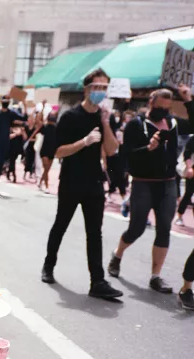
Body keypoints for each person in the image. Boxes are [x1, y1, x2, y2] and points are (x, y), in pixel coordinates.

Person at [41, 68, 122, 299]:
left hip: (94, 181)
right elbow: (58, 152)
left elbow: (112, 149)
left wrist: (106, 124)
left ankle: (97, 281)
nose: (100, 92)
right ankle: (48, 266)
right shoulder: (70, 117)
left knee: (94, 233)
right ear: (86, 89)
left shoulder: (105, 116)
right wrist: (84, 142)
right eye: (96, 87)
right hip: (71, 180)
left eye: (104, 88)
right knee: (61, 225)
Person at [107, 85, 194, 292]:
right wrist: (148, 148)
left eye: (167, 108)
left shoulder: (173, 124)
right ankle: (117, 254)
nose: (163, 111)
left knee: (164, 229)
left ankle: (156, 276)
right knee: (136, 228)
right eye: (159, 107)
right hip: (143, 182)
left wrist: (188, 99)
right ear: (150, 104)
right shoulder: (136, 125)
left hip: (167, 184)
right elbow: (126, 154)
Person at [0, 94, 27, 195]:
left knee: (0, 164)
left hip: (5, 143)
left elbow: (24, 118)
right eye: (4, 99)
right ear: (1, 101)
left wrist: (24, 105)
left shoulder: (11, 113)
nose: (6, 101)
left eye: (8, 100)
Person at [38, 111, 59, 191]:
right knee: (46, 167)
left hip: (52, 150)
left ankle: (40, 182)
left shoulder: (57, 128)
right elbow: (39, 122)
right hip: (44, 150)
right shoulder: (45, 127)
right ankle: (46, 186)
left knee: (47, 170)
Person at [176, 137, 194, 226]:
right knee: (188, 193)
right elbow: (187, 153)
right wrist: (189, 168)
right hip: (192, 169)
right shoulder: (192, 139)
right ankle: (179, 216)